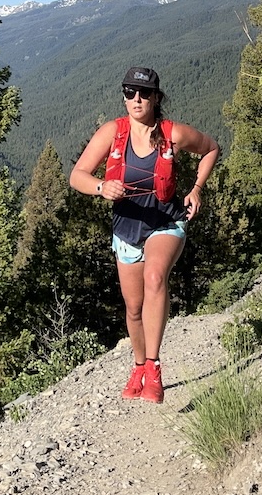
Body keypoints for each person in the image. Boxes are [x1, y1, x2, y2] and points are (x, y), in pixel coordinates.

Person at [69, 66, 220, 404]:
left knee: (155, 276)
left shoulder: (173, 133)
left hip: (166, 222)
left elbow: (211, 148)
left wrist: (196, 189)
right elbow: (77, 176)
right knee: (134, 308)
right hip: (127, 229)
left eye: (144, 93)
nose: (137, 99)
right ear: (124, 97)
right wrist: (100, 186)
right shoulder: (113, 132)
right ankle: (138, 366)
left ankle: (153, 367)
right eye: (130, 92)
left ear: (156, 97)